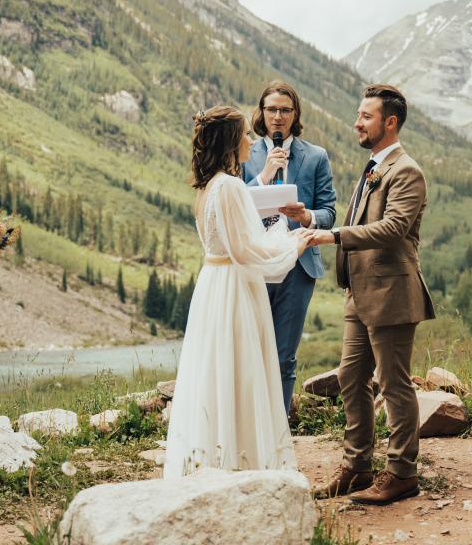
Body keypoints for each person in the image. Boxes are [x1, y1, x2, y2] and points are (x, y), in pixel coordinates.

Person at [163, 106, 316, 478]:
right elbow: (247, 250)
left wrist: (280, 239)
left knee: (216, 371)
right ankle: (245, 462)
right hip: (234, 288)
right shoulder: (230, 186)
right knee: (242, 370)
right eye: (246, 134)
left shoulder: (208, 187)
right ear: (232, 141)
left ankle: (214, 455)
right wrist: (294, 245)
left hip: (213, 285)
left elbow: (234, 243)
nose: (251, 141)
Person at [308, 84, 434, 505]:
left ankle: (401, 472)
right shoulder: (373, 166)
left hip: (392, 294)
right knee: (350, 377)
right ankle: (358, 466)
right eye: (359, 115)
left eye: (366, 116)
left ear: (390, 122)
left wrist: (333, 236)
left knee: (393, 384)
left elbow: (393, 227)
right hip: (358, 295)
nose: (357, 122)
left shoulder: (406, 170)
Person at [243, 81, 337, 413]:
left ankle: (279, 430)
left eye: (285, 110)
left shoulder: (315, 156)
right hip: (254, 263)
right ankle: (251, 428)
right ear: (261, 112)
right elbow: (232, 205)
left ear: (295, 114)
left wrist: (307, 215)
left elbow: (329, 211)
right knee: (251, 349)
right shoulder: (245, 153)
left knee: (285, 354)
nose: (278, 117)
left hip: (297, 265)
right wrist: (264, 177)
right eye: (272, 110)